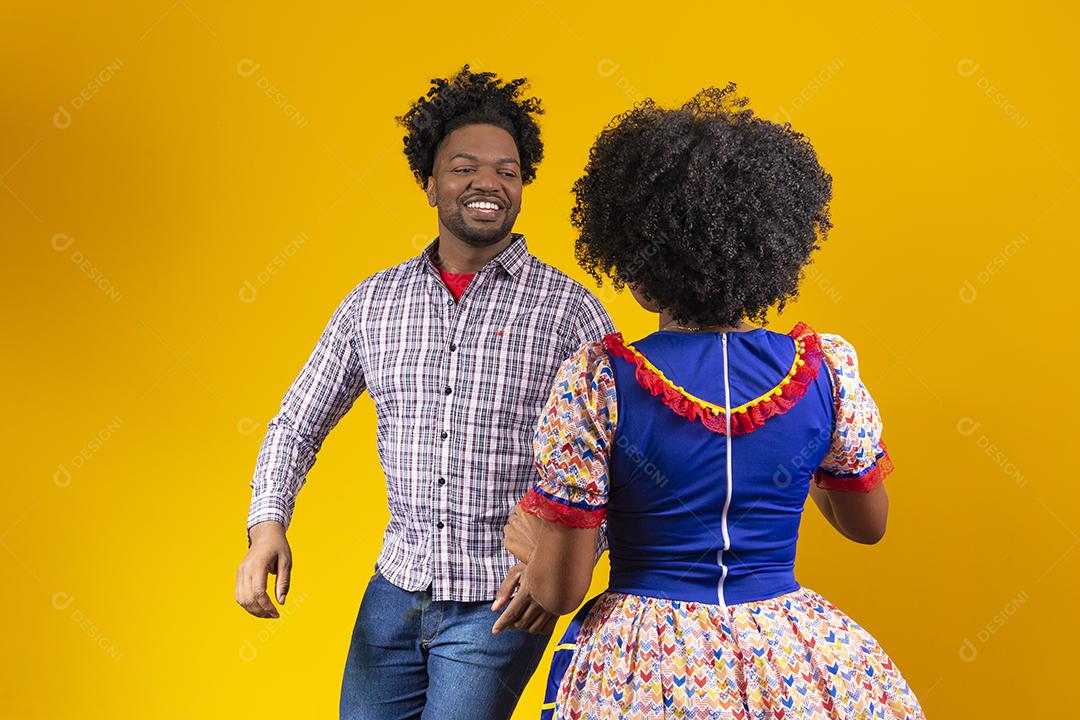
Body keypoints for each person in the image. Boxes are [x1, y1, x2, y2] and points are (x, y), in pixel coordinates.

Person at [498, 84, 926, 718]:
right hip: (792, 655)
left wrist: (535, 549)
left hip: (646, 670)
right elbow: (868, 525)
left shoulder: (599, 378)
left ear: (637, 271)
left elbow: (561, 592)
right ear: (769, 256)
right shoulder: (825, 369)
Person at [234, 65, 615, 720]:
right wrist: (267, 523)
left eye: (508, 170)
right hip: (394, 591)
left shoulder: (570, 314)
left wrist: (559, 564)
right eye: (465, 167)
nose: (489, 183)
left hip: (500, 601)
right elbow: (295, 424)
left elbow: (626, 458)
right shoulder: (371, 304)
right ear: (430, 182)